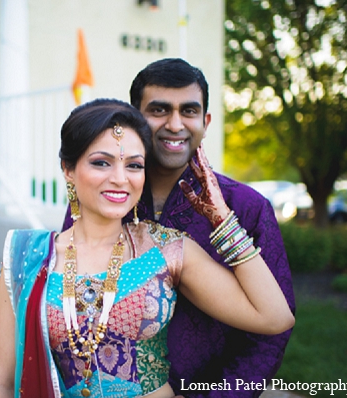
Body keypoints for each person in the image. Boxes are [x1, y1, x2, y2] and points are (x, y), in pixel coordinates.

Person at [0, 99, 294, 398]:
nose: (120, 179)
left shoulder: (166, 250)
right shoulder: (26, 258)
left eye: (134, 165)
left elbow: (274, 317)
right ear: (68, 169)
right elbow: (4, 382)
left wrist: (222, 219)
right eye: (101, 162)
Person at [62, 59, 296, 397]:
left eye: (189, 111)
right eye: (159, 110)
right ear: (135, 119)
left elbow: (271, 333)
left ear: (206, 121)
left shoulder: (246, 207)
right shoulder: (100, 199)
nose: (175, 124)